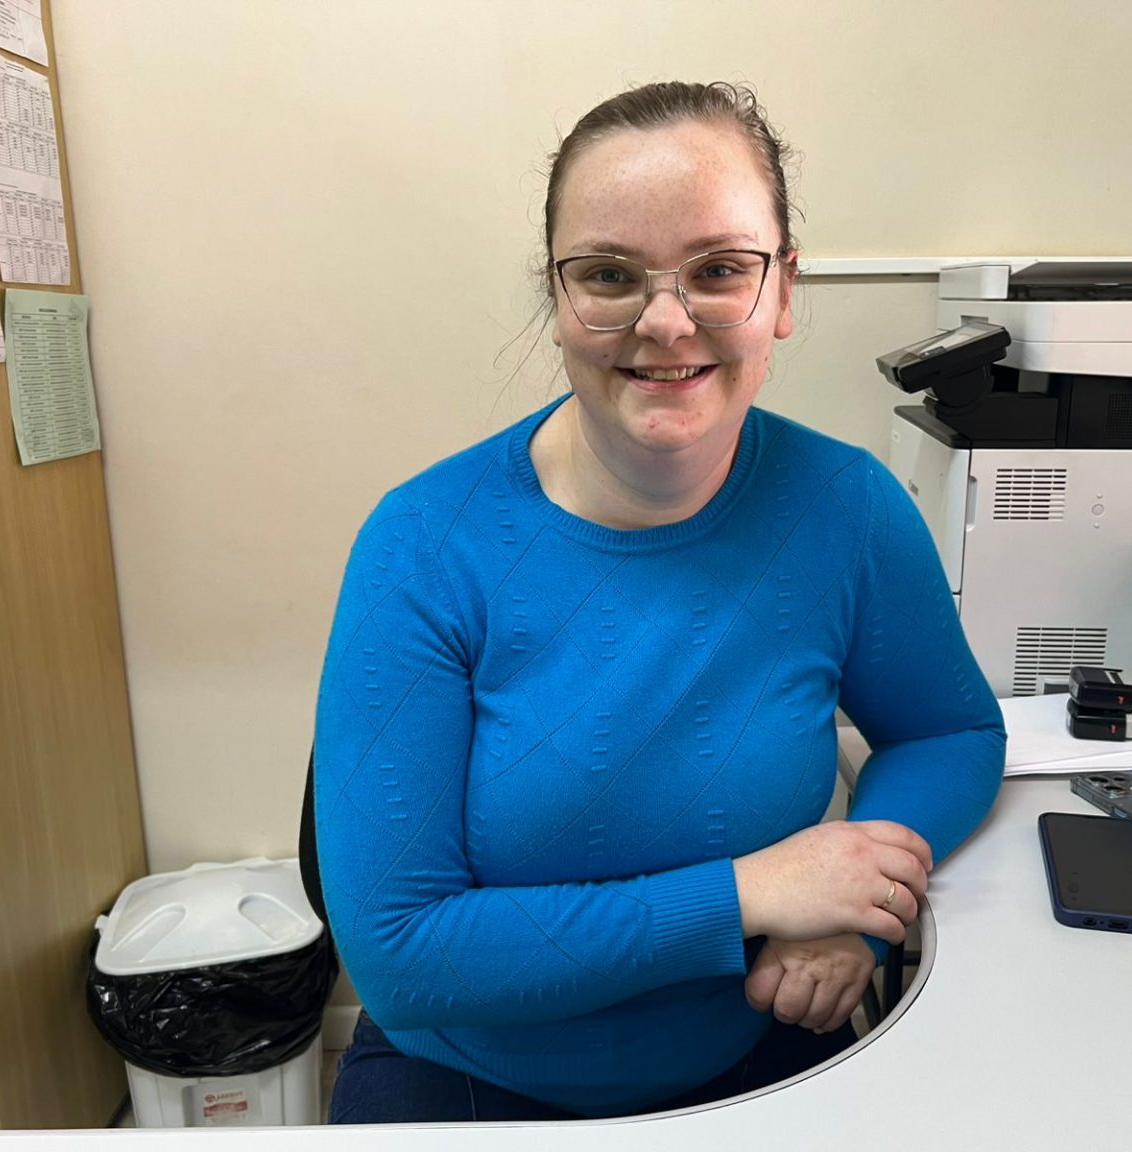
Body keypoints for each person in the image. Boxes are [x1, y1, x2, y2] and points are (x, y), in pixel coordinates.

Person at [315, 80, 1006, 1125]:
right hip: (469, 1083)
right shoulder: (420, 548)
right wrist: (752, 894)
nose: (667, 323)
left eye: (719, 270)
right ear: (558, 300)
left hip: (761, 1047)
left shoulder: (847, 508)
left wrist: (856, 907)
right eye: (609, 275)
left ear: (783, 292)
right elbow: (403, 958)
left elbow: (949, 731)